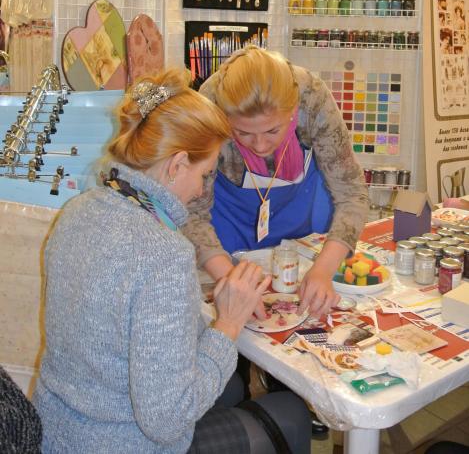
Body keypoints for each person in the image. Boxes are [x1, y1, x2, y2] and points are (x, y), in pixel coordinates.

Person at [33, 69, 311, 454]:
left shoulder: (78, 211)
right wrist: (228, 323)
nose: (200, 189)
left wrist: (211, 317)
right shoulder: (164, 255)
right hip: (122, 444)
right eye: (205, 174)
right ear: (177, 165)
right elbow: (167, 420)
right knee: (291, 413)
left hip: (58, 432)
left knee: (230, 385)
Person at [183, 46, 368, 319]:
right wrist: (230, 280)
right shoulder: (209, 106)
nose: (260, 145)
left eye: (273, 130)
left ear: (293, 111)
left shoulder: (312, 99)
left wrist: (323, 270)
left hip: (295, 213)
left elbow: (351, 193)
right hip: (228, 217)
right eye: (243, 133)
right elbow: (191, 211)